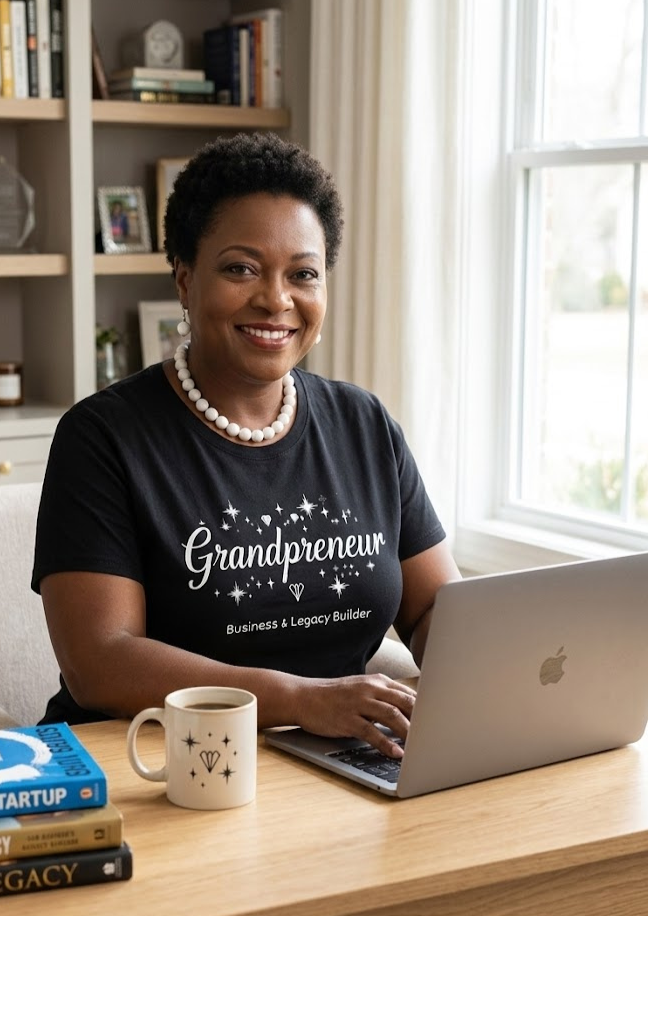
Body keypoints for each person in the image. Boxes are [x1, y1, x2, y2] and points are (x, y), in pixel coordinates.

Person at [33, 132, 461, 758]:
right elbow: (100, 662)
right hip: (156, 763)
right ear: (185, 280)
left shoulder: (364, 424)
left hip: (339, 756)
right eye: (241, 268)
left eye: (303, 274)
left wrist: (514, 672)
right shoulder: (102, 437)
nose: (276, 299)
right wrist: (302, 701)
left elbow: (433, 616)